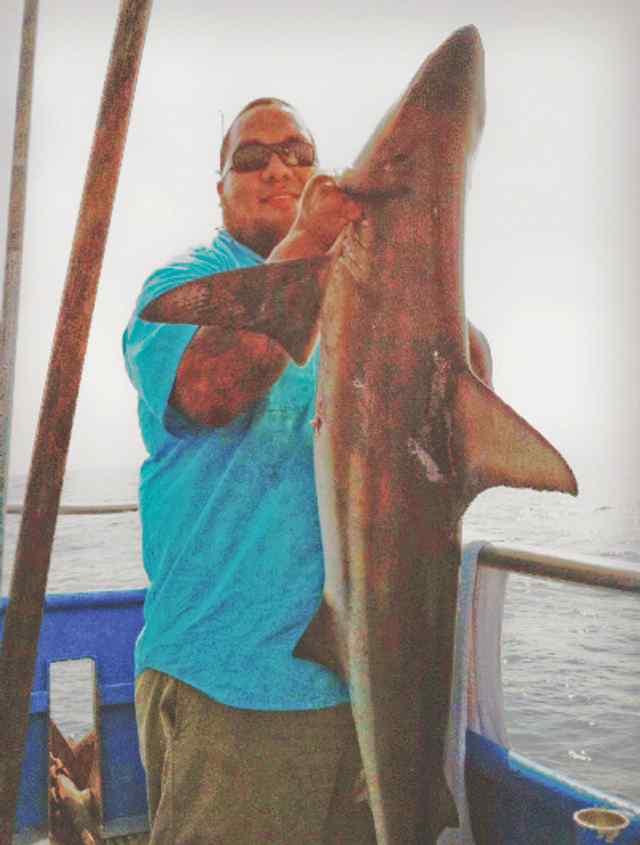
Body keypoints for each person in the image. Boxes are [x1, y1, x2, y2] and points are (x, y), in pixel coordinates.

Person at [122, 97, 376, 845]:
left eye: (297, 152)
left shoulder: (353, 296)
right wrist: (308, 238)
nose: (277, 168)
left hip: (355, 688)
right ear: (220, 187)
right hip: (228, 682)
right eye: (252, 158)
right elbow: (213, 389)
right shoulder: (181, 283)